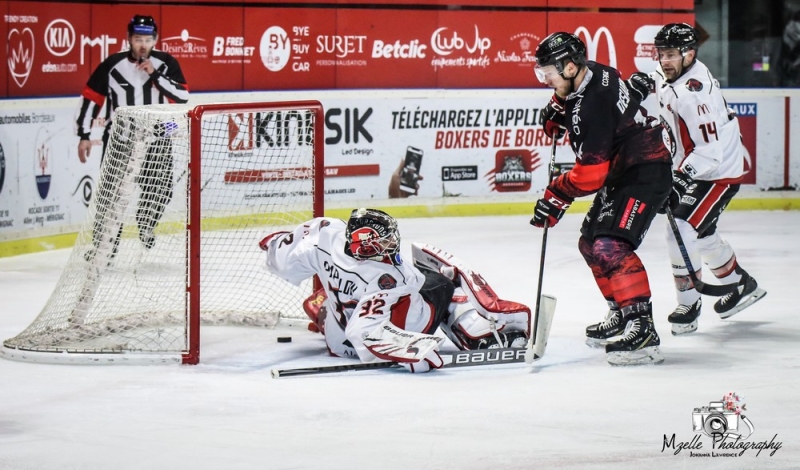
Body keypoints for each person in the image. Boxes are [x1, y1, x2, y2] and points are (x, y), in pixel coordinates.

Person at [533, 32, 673, 366]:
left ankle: (643, 330)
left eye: (548, 73)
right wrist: (558, 107)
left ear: (569, 66)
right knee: (589, 243)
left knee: (610, 246)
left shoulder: (588, 108)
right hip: (627, 167)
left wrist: (556, 196)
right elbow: (624, 97)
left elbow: (590, 175)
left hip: (644, 169)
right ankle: (623, 313)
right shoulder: (594, 71)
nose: (546, 80)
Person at [259, 208, 531, 373]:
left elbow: (280, 260)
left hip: (336, 340)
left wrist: (275, 244)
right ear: (368, 245)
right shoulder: (390, 277)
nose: (392, 243)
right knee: (441, 282)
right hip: (362, 342)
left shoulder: (325, 232)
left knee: (337, 301)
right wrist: (412, 350)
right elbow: (364, 332)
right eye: (386, 240)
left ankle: (324, 306)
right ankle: (471, 329)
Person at [650, 23, 767, 335]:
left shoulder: (694, 97)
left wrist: (677, 181)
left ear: (689, 54)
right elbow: (659, 82)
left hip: (717, 171)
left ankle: (688, 304)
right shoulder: (673, 70)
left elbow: (710, 152)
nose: (664, 61)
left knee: (680, 228)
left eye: (671, 54)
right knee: (702, 234)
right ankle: (740, 285)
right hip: (702, 164)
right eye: (661, 54)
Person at [76, 15, 189, 258]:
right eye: (138, 39)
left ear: (155, 40)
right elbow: (91, 98)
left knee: (161, 188)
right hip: (119, 139)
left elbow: (182, 96)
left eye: (148, 39)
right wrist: (84, 134)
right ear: (128, 39)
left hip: (157, 136)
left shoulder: (166, 62)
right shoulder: (112, 64)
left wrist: (155, 75)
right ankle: (104, 246)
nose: (142, 45)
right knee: (109, 193)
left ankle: (146, 222)